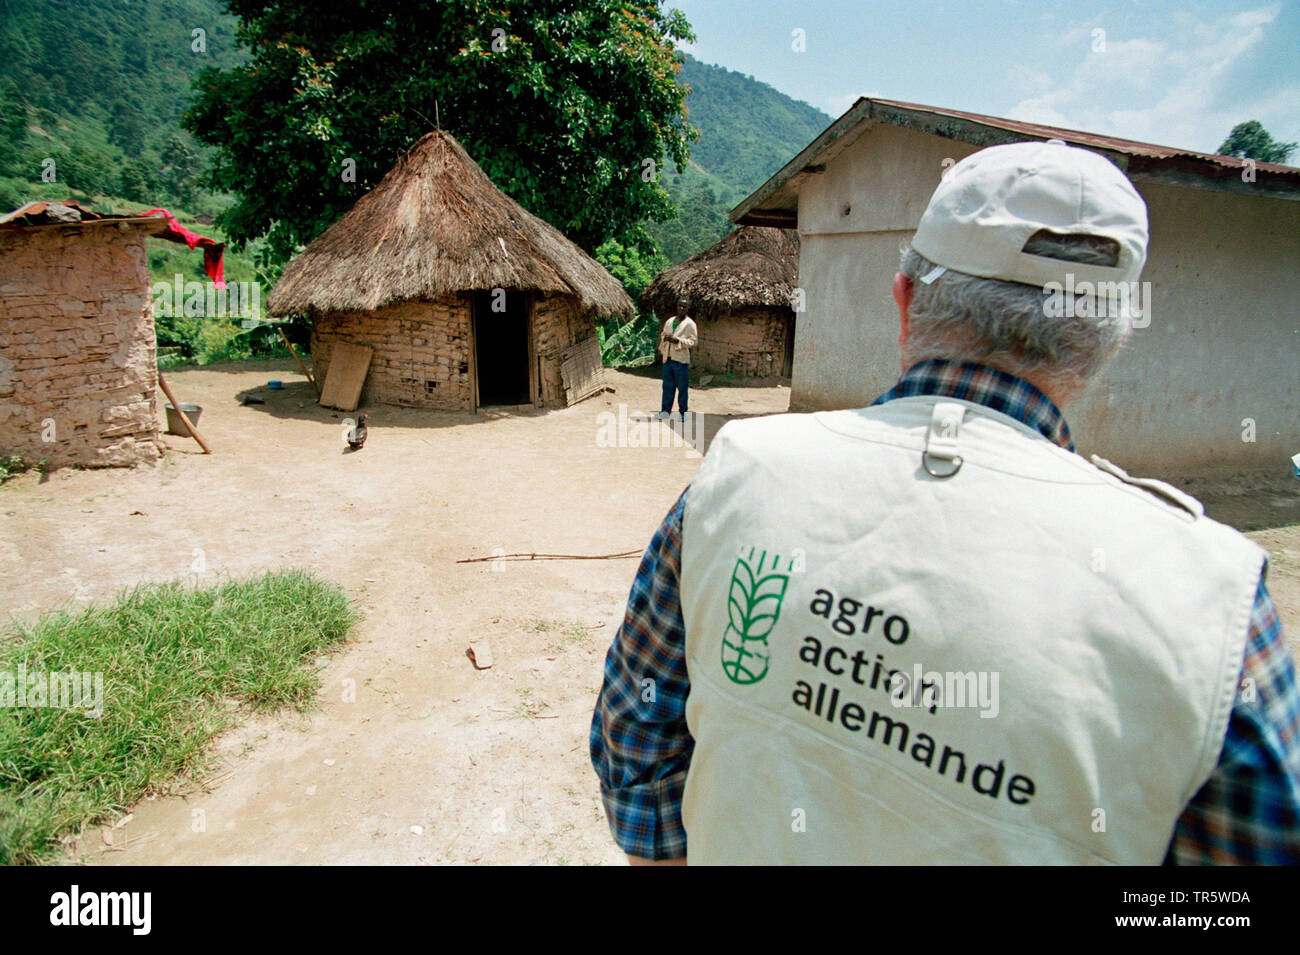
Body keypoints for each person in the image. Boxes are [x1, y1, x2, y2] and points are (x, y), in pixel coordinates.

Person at [589, 140, 1300, 865]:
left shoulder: (735, 476)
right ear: (1105, 345)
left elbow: (635, 753)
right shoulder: (1213, 606)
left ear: (903, 304)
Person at [658, 297, 697, 420]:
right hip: (668, 358)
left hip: (680, 360)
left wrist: (678, 340)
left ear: (688, 308)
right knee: (667, 386)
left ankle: (683, 412)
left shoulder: (690, 324)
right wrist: (666, 338)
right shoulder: (670, 321)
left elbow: (693, 342)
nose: (681, 308)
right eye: (680, 305)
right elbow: (663, 334)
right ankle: (665, 411)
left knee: (682, 387)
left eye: (684, 306)